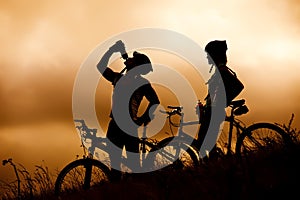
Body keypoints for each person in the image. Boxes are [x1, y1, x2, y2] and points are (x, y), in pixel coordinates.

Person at [96, 41, 160, 180]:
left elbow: (155, 101)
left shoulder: (142, 83)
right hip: (114, 124)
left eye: (133, 59)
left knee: (134, 167)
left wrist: (142, 119)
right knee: (115, 167)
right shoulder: (118, 78)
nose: (129, 59)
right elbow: (100, 66)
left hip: (129, 125)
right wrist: (111, 50)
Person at [195, 40, 229, 156]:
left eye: (208, 55)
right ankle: (214, 165)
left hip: (214, 112)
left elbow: (233, 87)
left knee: (202, 143)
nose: (207, 58)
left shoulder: (221, 70)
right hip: (212, 110)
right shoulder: (218, 70)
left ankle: (214, 167)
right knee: (208, 142)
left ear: (214, 55)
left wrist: (221, 102)